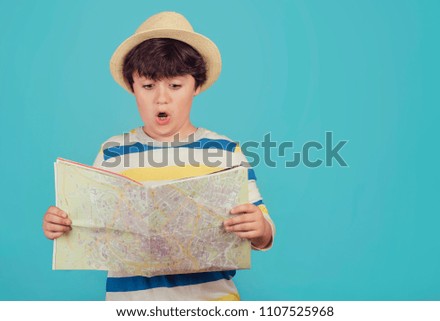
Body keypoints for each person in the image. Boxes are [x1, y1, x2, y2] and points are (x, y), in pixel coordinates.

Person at [42, 11, 275, 301]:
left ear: (196, 86)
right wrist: (62, 225)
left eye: (175, 86)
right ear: (132, 88)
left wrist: (259, 228)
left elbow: (263, 232)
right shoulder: (112, 152)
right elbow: (89, 226)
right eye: (148, 86)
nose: (161, 98)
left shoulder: (226, 151)